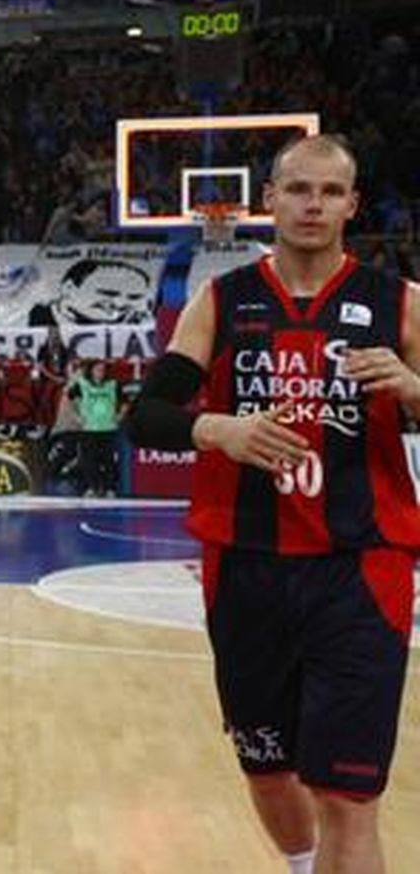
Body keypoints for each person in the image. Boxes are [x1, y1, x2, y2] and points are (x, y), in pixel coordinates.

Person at [127, 134, 420, 874]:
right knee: (266, 768)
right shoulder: (223, 299)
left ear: (354, 205)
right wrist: (217, 427)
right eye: (297, 189)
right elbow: (147, 413)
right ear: (269, 201)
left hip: (360, 566)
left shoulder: (400, 302)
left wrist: (417, 390)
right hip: (247, 565)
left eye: (329, 192)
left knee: (350, 796)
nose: (312, 204)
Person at [27, 258, 154, 327]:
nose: (120, 303)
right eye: (109, 293)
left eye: (133, 297)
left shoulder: (133, 324)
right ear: (69, 288)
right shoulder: (39, 317)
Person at [67, 359, 121, 497]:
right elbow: (69, 399)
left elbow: (126, 401)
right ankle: (92, 487)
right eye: (98, 369)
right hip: (89, 429)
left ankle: (109, 489)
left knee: (109, 460)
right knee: (89, 461)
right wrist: (76, 417)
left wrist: (120, 416)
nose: (100, 372)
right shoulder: (82, 385)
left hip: (108, 428)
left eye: (103, 369)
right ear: (91, 371)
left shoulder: (113, 384)